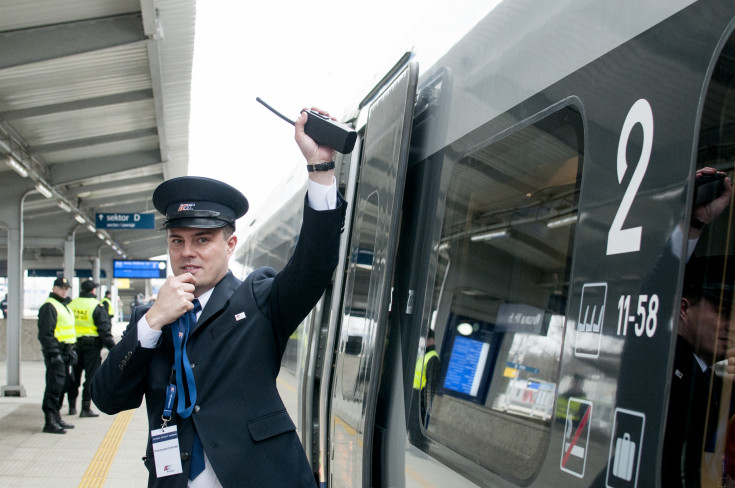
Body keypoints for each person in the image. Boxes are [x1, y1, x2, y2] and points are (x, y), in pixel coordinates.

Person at [91, 108, 347, 487]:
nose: (187, 252)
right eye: (177, 241)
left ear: (230, 245)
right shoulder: (151, 318)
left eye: (202, 240)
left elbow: (313, 266)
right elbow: (107, 399)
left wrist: (320, 168)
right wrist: (150, 323)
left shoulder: (258, 300)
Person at [67, 279, 115, 417]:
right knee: (90, 377)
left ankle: (71, 407)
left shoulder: (72, 304)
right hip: (91, 347)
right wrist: (113, 348)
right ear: (93, 290)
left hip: (74, 345)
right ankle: (85, 408)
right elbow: (104, 329)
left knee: (74, 376)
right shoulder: (96, 305)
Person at [37, 276, 77, 434]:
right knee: (54, 386)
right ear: (54, 288)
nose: (64, 291)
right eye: (61, 288)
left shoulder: (63, 305)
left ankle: (57, 416)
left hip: (65, 352)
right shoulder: (49, 306)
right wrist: (54, 353)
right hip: (56, 352)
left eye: (66, 289)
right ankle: (49, 421)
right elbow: (46, 334)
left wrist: (72, 350)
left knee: (63, 385)